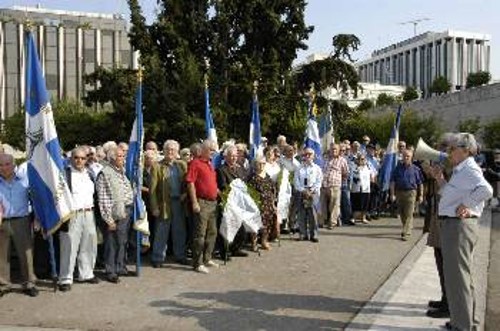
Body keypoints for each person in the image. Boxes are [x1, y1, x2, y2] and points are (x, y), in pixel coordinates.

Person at [430, 132, 493, 331]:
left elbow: (487, 190)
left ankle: (463, 326)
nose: (449, 152)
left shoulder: (470, 169)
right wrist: (439, 179)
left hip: (459, 227)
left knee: (459, 279)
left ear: (465, 150)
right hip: (454, 225)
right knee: (459, 278)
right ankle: (463, 321)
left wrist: (468, 203)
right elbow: (449, 195)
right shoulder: (461, 169)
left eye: (452, 149)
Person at [58, 147, 99, 292]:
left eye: (82, 158)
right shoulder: (64, 174)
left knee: (89, 244)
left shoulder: (90, 173)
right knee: (69, 246)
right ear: (71, 158)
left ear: (86, 159)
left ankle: (86, 274)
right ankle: (65, 278)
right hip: (72, 215)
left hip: (88, 213)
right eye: (76, 158)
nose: (79, 161)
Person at [0, 153, 39, 297]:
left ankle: (29, 283)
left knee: (26, 254)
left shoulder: (25, 181)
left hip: (21, 221)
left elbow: (35, 199)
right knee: (2, 255)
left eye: (7, 164)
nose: (4, 168)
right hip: (2, 222)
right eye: (1, 165)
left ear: (14, 165)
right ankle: (4, 285)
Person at [96, 146, 134, 283]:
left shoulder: (121, 171)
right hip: (113, 214)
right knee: (111, 243)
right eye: (120, 156)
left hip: (125, 211)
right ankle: (111, 270)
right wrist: (108, 219)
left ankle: (120, 267)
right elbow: (103, 198)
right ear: (112, 158)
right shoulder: (104, 173)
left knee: (122, 241)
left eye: (123, 156)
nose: (123, 158)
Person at [186, 139, 220, 274]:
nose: (213, 152)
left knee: (212, 232)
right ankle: (197, 263)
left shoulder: (210, 164)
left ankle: (207, 258)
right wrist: (194, 202)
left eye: (214, 150)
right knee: (199, 234)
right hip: (202, 202)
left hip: (213, 203)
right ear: (203, 150)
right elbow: (190, 183)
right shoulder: (195, 163)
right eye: (210, 150)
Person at [216, 145, 249, 259]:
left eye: (236, 155)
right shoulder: (221, 170)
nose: (234, 158)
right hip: (228, 202)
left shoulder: (240, 168)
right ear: (225, 157)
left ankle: (236, 248)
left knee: (242, 230)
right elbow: (223, 186)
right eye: (231, 156)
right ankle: (224, 251)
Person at [390, 149, 423, 241]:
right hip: (399, 192)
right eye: (404, 156)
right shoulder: (397, 168)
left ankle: (406, 232)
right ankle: (407, 227)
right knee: (402, 213)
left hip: (411, 193)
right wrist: (392, 194)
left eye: (408, 156)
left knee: (409, 213)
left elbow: (420, 183)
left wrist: (421, 195)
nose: (406, 158)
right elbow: (392, 182)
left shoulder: (416, 169)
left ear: (411, 157)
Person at [294, 147, 322, 242]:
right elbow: (296, 182)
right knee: (301, 215)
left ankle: (314, 234)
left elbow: (319, 181)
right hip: (302, 193)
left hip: (313, 193)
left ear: (313, 156)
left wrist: (311, 190)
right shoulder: (299, 168)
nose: (307, 156)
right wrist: (303, 190)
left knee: (313, 215)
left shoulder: (317, 168)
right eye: (306, 154)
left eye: (310, 154)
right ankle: (303, 234)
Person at [249, 156, 277, 250]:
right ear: (255, 164)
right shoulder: (252, 177)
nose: (261, 165)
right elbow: (249, 191)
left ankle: (264, 241)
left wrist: (273, 204)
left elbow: (273, 190)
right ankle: (254, 243)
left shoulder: (268, 176)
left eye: (263, 163)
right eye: (259, 163)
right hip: (257, 204)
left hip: (268, 204)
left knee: (267, 223)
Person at [320, 143, 348, 228]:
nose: (334, 150)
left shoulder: (342, 160)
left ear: (339, 151)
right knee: (322, 204)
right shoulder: (325, 159)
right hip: (324, 185)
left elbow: (345, 173)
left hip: (335, 185)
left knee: (334, 205)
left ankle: (332, 222)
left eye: (335, 149)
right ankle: (321, 221)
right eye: (332, 149)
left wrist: (338, 181)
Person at [350, 154, 372, 224]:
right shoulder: (353, 167)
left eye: (362, 159)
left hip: (366, 188)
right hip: (356, 188)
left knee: (365, 203)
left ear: (365, 160)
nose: (360, 161)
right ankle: (353, 218)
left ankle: (363, 218)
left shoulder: (368, 167)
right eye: (359, 159)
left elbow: (373, 175)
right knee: (356, 203)